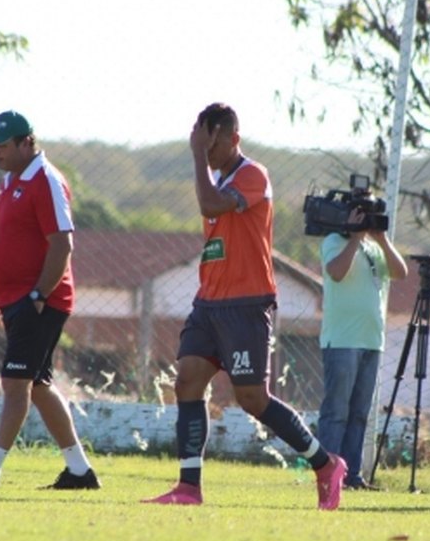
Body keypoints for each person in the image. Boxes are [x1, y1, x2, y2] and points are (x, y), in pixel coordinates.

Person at [142, 102, 347, 509]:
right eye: (202, 144)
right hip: (209, 303)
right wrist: (203, 157)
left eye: (212, 144)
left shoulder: (253, 175)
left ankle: (326, 465)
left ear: (233, 138)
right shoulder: (215, 179)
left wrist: (197, 157)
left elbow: (210, 205)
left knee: (252, 398)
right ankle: (188, 488)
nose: (207, 152)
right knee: (187, 381)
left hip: (246, 305)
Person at [0, 110, 99, 490]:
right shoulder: (11, 179)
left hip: (40, 302)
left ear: (26, 143)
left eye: (2, 145)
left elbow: (62, 242)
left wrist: (38, 295)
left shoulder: (45, 179)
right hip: (17, 300)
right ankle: (79, 471)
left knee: (15, 385)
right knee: (40, 385)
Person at [316, 205, 407, 490]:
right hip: (342, 340)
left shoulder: (374, 247)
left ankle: (352, 476)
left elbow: (400, 272)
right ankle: (329, 475)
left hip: (371, 340)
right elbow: (337, 273)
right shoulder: (333, 241)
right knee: (337, 411)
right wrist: (354, 238)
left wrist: (381, 239)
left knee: (359, 414)